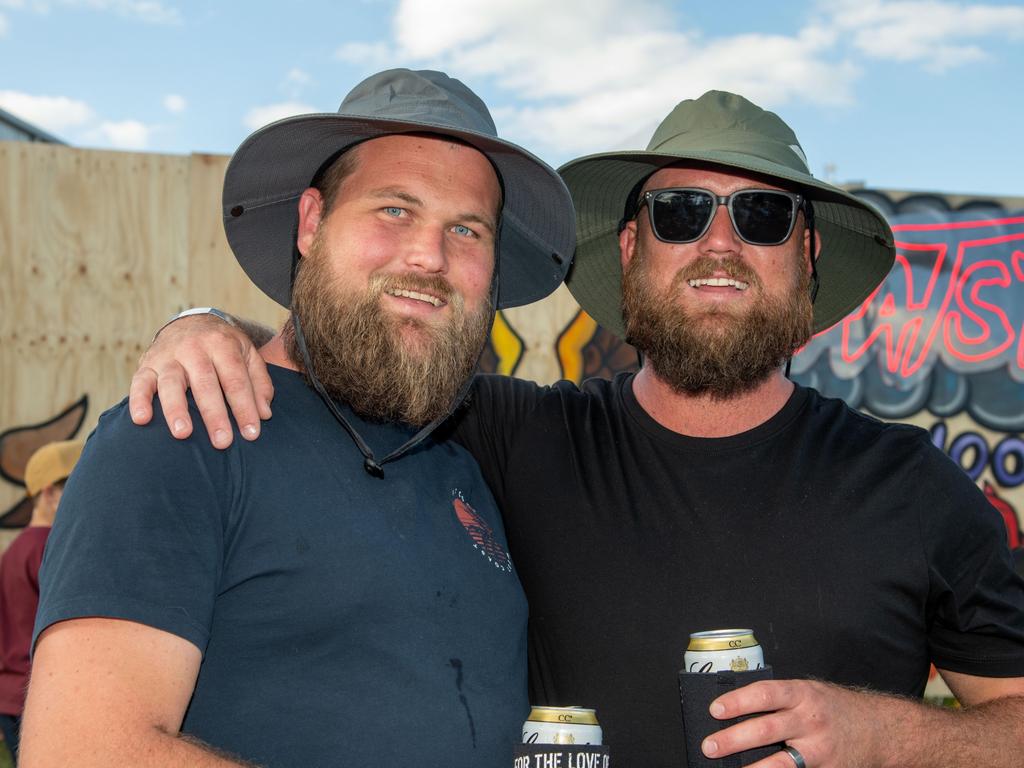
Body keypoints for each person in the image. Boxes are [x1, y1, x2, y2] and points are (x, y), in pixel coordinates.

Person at [130, 91, 1024, 768]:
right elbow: (353, 349)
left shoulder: (912, 483)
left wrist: (885, 733)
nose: (720, 244)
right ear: (631, 251)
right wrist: (203, 327)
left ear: (808, 257)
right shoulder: (508, 436)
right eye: (680, 214)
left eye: (762, 216)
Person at [20, 69, 576, 768]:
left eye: (465, 229)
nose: (428, 258)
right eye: (394, 211)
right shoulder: (187, 430)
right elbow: (80, 750)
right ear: (312, 223)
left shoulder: (469, 463)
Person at [0, 439, 82, 763]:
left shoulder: (13, 550)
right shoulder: (51, 547)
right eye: (74, 487)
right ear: (48, 493)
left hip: (10, 696)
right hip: (39, 698)